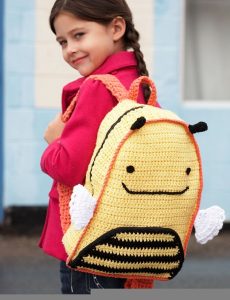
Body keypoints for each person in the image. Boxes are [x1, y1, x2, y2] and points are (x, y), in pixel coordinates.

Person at [39, 0, 159, 294]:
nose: (69, 49)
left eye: (79, 35)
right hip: (131, 234)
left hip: (89, 239)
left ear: (116, 28)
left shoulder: (98, 88)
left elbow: (69, 167)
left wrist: (54, 139)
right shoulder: (138, 83)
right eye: (62, 41)